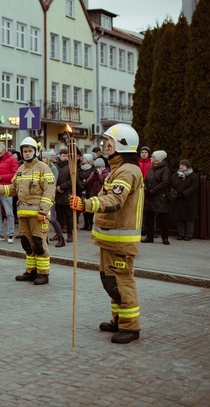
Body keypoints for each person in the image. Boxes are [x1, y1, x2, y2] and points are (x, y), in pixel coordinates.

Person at [69, 123, 143, 344]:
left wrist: (86, 205)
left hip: (121, 239)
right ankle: (119, 319)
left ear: (121, 145)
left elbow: (114, 200)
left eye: (109, 143)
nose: (106, 147)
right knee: (110, 281)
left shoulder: (128, 171)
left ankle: (130, 327)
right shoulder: (119, 169)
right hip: (111, 238)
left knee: (121, 282)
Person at [0, 137, 56, 285]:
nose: (26, 153)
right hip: (24, 214)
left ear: (36, 152)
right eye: (24, 151)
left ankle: (43, 274)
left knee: (39, 244)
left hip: (38, 215)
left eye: (29, 151)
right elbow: (12, 189)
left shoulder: (43, 168)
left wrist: (43, 212)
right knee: (27, 243)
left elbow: (49, 191)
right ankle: (31, 271)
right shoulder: (20, 169)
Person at [0, 141, 19, 243]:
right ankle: (0, 234)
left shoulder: (12, 160)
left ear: (3, 149)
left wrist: (0, 177)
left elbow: (14, 174)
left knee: (9, 212)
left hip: (6, 189)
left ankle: (10, 234)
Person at [143, 150, 171, 245]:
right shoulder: (152, 168)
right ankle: (149, 236)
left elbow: (164, 183)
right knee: (149, 217)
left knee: (164, 217)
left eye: (153, 157)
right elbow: (147, 179)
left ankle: (165, 237)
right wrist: (146, 188)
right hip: (150, 196)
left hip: (160, 196)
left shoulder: (165, 169)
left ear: (158, 159)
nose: (151, 158)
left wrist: (152, 191)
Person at [170, 159, 199, 241]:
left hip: (189, 200)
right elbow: (172, 185)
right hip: (178, 199)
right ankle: (181, 233)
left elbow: (194, 187)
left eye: (183, 165)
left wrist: (184, 194)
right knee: (179, 217)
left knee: (189, 218)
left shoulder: (193, 176)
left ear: (188, 166)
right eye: (180, 165)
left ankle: (189, 234)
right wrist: (174, 193)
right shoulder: (175, 175)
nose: (181, 166)